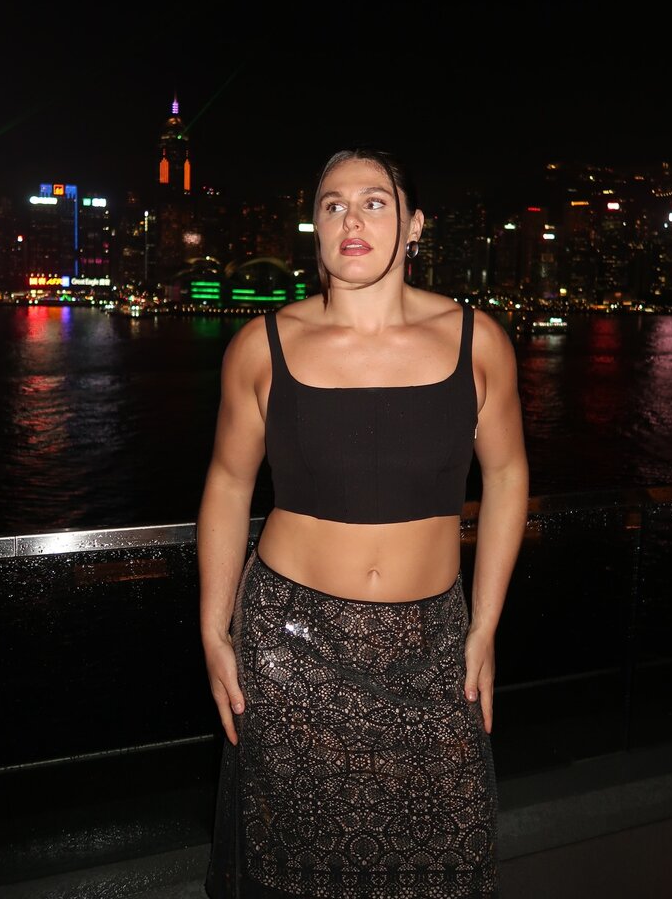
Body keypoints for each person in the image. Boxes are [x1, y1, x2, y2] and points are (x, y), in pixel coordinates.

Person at [197, 147, 528, 899]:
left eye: (375, 202)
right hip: (290, 648)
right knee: (291, 864)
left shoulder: (477, 340)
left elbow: (508, 475)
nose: (352, 219)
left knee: (445, 856)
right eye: (333, 205)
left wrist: (484, 627)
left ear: (414, 226)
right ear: (315, 228)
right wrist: (214, 630)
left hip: (433, 644)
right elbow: (227, 482)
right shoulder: (263, 346)